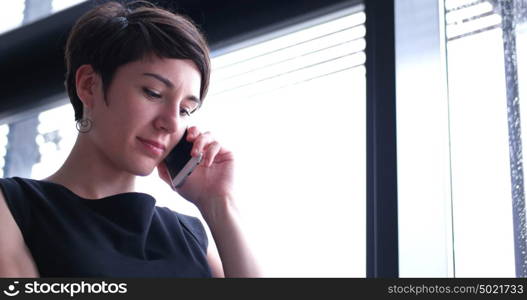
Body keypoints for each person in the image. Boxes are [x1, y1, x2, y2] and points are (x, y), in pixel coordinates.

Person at [0, 1, 260, 278]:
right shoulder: (12, 208)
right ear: (89, 85)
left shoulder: (189, 237)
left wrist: (219, 203)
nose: (171, 122)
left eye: (185, 110)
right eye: (153, 93)